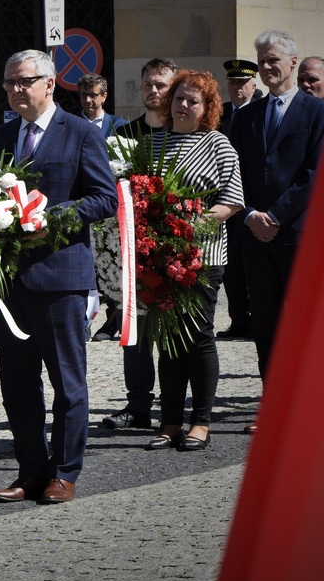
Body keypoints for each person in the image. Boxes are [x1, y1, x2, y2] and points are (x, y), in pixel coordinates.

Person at [0, 50, 117, 504]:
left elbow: (104, 199)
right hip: (9, 284)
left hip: (61, 277)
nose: (15, 90)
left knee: (67, 382)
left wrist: (50, 215)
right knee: (17, 385)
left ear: (50, 82)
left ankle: (64, 472)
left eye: (23, 81)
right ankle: (30, 470)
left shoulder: (80, 132)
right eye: (8, 83)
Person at [229, 30, 324, 434]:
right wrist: (252, 215)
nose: (267, 67)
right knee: (266, 323)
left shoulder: (317, 113)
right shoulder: (247, 115)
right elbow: (234, 173)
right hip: (256, 236)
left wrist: (276, 215)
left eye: (273, 59)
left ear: (292, 62)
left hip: (297, 234)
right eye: (262, 61)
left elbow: (316, 174)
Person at [142, 69, 245, 451]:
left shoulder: (218, 144)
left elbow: (233, 200)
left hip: (203, 254)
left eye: (192, 101)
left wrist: (192, 225)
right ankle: (169, 421)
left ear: (207, 108)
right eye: (179, 98)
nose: (183, 105)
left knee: (199, 335)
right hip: (160, 256)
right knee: (168, 340)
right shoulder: (154, 144)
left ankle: (200, 421)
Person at [102, 58, 178, 430]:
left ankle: (175, 407)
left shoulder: (186, 132)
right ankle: (137, 406)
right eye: (148, 84)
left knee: (175, 333)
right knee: (134, 332)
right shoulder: (123, 136)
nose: (153, 91)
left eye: (161, 84)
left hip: (176, 249)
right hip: (131, 250)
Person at [77, 72, 127, 343]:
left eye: (93, 95)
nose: (88, 100)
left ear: (104, 96)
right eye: (84, 95)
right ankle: (86, 319)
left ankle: (113, 320)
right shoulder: (72, 124)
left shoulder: (119, 126)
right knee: (92, 267)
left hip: (111, 204)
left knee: (112, 264)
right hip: (84, 203)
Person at [217, 59, 263, 339]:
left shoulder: (260, 112)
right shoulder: (219, 114)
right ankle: (238, 319)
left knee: (254, 266)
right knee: (230, 267)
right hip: (224, 201)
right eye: (232, 83)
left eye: (242, 83)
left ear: (253, 86)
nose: (237, 88)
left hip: (251, 202)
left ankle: (259, 319)